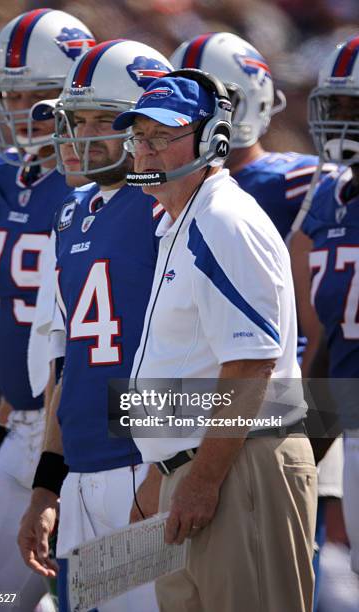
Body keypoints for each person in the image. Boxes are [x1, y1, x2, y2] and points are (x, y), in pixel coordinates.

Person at [112, 69, 318, 612]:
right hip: (207, 467)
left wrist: (201, 477)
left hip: (237, 467)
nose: (145, 152)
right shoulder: (181, 222)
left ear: (211, 140)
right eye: (139, 138)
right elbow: (196, 362)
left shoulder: (222, 219)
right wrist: (166, 470)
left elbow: (252, 365)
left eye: (161, 136)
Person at [170, 31, 341, 608]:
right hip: (186, 408)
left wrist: (319, 427)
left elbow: (313, 324)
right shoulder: (165, 189)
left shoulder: (302, 182)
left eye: (219, 101)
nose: (206, 116)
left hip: (272, 406)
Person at [17, 39, 172, 612]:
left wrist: (170, 466)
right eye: (75, 119)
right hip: (81, 467)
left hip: (143, 462)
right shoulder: (72, 209)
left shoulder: (172, 202)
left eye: (103, 119)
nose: (83, 135)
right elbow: (68, 359)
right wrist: (46, 482)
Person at [0, 10, 96, 611]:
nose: (19, 111)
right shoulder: (4, 176)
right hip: (19, 427)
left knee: (96, 596)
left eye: (37, 96)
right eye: (9, 94)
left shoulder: (103, 187)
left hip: (86, 428)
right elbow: (15, 318)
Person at [291, 35, 359, 577]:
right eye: (334, 105)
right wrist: (301, 456)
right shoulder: (330, 204)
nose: (340, 119)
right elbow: (329, 344)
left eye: (353, 105)